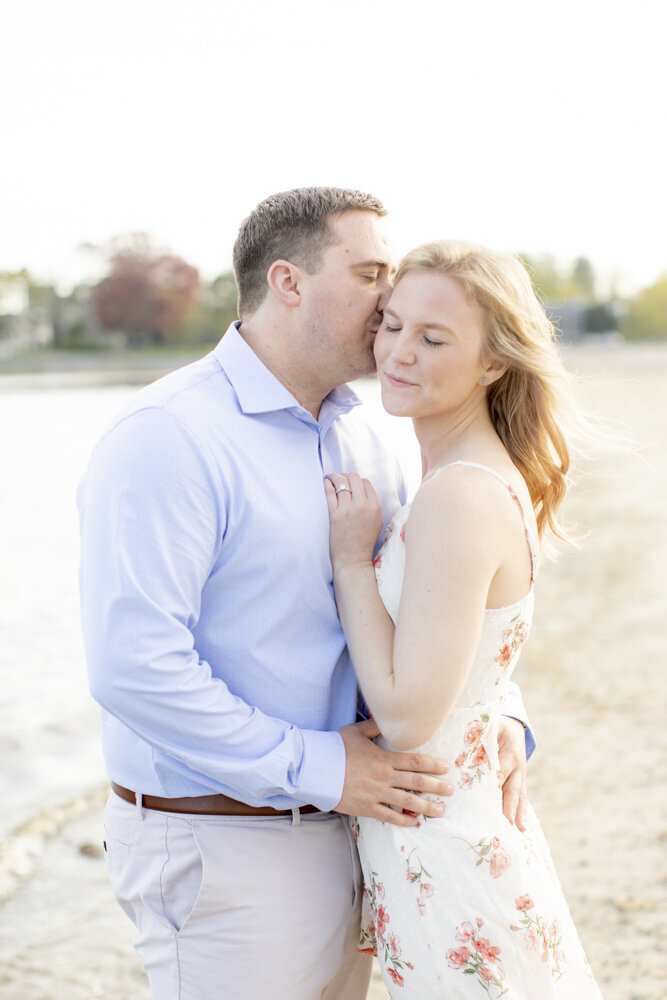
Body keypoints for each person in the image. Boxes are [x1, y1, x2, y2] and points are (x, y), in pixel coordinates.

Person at [78, 189, 533, 1000]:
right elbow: (135, 668)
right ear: (287, 282)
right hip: (226, 846)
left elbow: (425, 609)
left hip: (360, 833)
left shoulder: (368, 432)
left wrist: (499, 715)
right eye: (369, 275)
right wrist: (323, 769)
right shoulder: (170, 437)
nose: (389, 298)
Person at [325, 240, 603, 998]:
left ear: (491, 364)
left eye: (433, 338)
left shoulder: (458, 495)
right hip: (450, 824)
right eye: (392, 325)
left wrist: (352, 561)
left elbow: (409, 716)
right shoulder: (460, 475)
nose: (398, 352)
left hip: (446, 842)